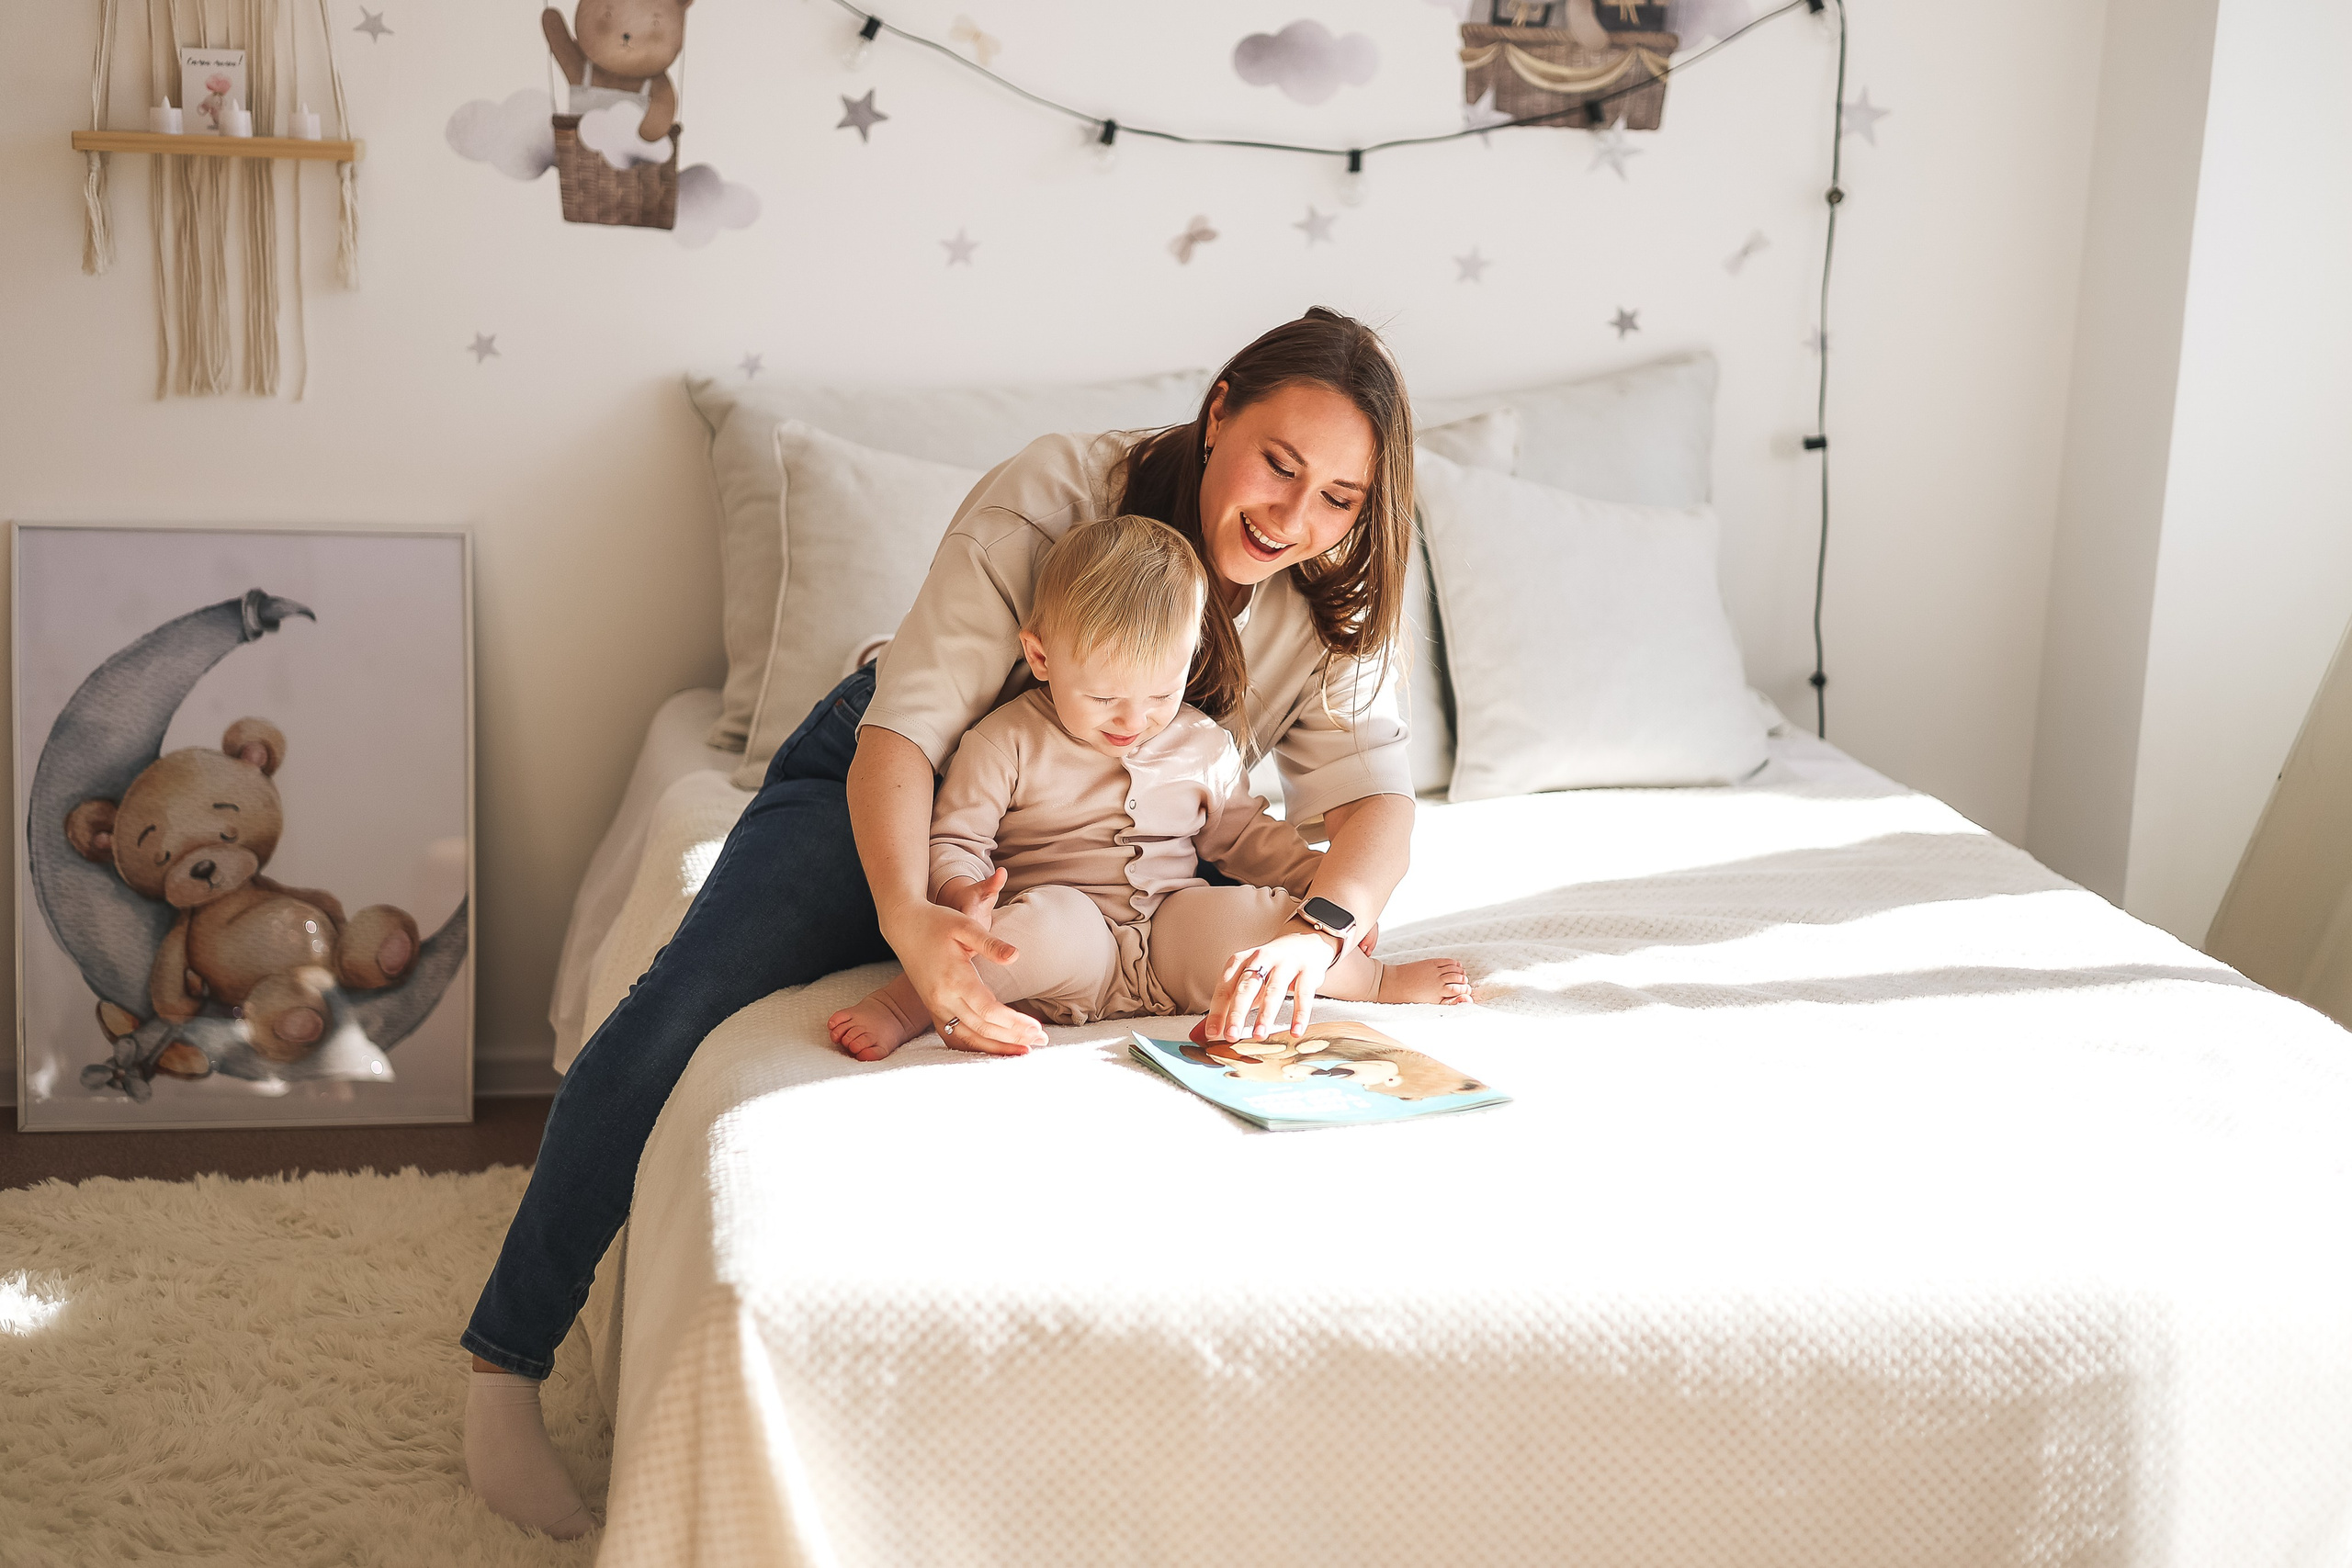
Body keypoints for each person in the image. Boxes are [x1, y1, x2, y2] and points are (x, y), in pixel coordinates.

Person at [462, 307, 1431, 1537]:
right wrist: (913, 916)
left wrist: (1323, 928)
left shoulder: (1330, 599)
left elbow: (1378, 810)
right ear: (1221, 405)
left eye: (1341, 498)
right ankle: (504, 1362)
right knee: (686, 1001)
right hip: (905, 780)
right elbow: (904, 733)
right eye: (1281, 464)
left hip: (1104, 837)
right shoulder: (1059, 488)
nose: (1297, 518)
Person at [826, 514, 1466, 1058]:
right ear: (1042, 657)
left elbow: (1243, 835)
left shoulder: (1201, 743)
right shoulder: (1004, 740)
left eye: (1161, 693)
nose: (1134, 721)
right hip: (1071, 949)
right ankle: (905, 1003)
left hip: (1170, 935)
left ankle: (1375, 979)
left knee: (1263, 920)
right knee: (1040, 928)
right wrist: (960, 888)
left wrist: (1311, 878)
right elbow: (956, 836)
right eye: (1103, 697)